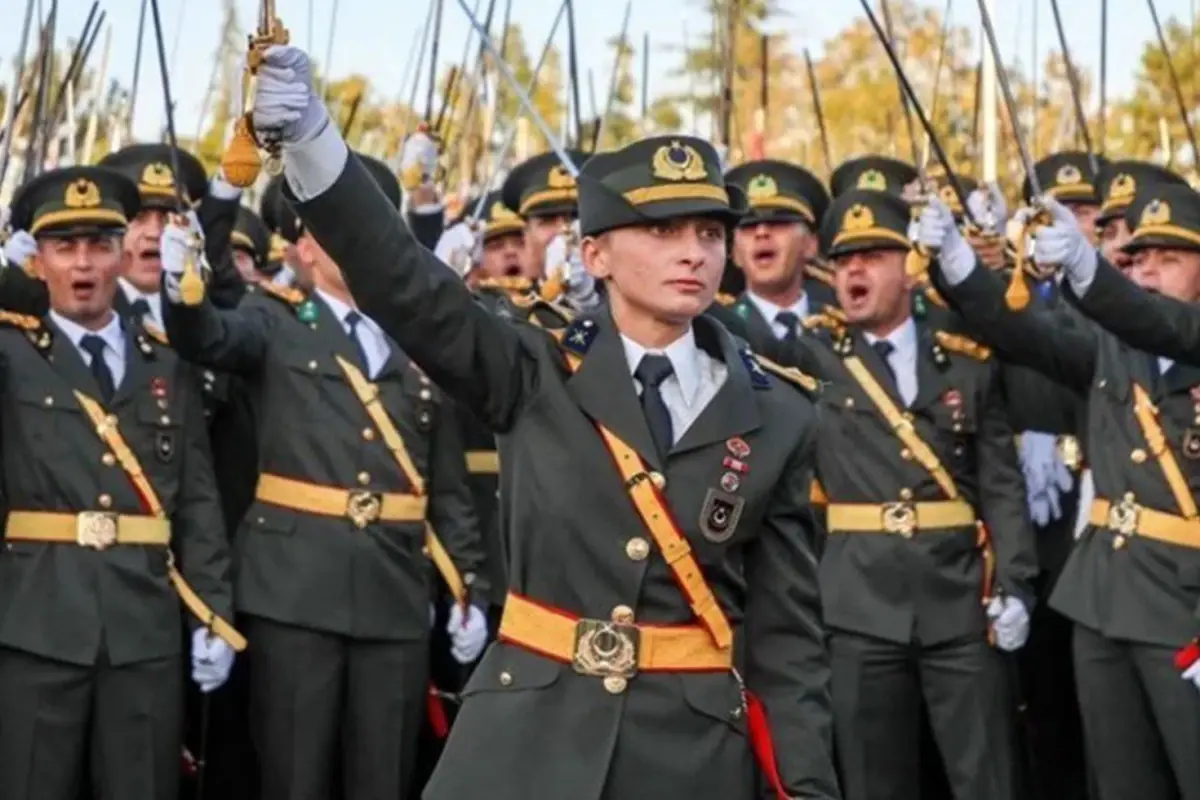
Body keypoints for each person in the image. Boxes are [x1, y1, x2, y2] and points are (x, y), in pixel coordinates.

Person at [251, 43, 840, 800]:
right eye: (661, 231)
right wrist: (311, 145)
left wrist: (808, 787)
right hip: (525, 741)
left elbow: (789, 644)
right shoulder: (531, 367)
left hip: (690, 755)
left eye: (708, 232)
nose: (693, 252)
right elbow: (403, 281)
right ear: (594, 253)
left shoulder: (780, 413)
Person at [160, 148, 490, 800]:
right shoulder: (274, 319)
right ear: (304, 246)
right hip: (294, 592)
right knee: (295, 775)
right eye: (335, 227)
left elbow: (445, 482)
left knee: (384, 775)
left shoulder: (420, 336)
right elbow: (205, 336)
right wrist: (181, 283)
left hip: (394, 589)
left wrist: (469, 587)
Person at [918, 188, 1200, 800]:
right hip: (1104, 597)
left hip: (1187, 607)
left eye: (1169, 258)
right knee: (1121, 780)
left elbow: (1158, 323)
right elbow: (1021, 330)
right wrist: (958, 259)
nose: (1146, 270)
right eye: (1136, 258)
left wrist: (1085, 268)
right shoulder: (1112, 349)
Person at [773, 187, 1036, 800]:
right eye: (842, 261)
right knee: (871, 781)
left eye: (872, 255)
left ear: (912, 268)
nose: (853, 271)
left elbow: (1000, 485)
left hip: (961, 603)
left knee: (987, 777)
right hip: (858, 606)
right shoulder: (812, 355)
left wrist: (1017, 585)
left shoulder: (966, 359)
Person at [0, 165, 239, 800]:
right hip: (35, 624)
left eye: (100, 245)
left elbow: (197, 500)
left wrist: (212, 613)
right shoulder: (11, 353)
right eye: (63, 246)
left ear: (123, 251)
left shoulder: (167, 360)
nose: (83, 265)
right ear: (38, 259)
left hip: (143, 627)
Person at [719, 159, 837, 351]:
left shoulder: (842, 330)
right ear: (734, 252)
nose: (762, 232)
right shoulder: (718, 333)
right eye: (748, 226)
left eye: (779, 222)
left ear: (810, 245)